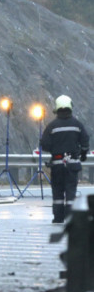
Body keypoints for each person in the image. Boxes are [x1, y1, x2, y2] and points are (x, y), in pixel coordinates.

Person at [40, 95, 90, 224]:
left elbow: (44, 144)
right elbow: (85, 141)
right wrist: (83, 154)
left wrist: (54, 149)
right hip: (72, 164)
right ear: (70, 107)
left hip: (57, 164)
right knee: (70, 192)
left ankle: (58, 217)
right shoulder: (77, 124)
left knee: (57, 192)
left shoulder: (51, 126)